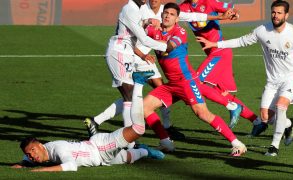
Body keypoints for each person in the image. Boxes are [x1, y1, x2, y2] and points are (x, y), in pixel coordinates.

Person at [85, 0, 235, 141]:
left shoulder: (165, 12)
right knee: (132, 96)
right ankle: (151, 132)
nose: (153, 0)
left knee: (138, 94)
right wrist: (160, 46)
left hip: (147, 57)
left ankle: (164, 130)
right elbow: (138, 36)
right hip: (137, 54)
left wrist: (219, 17)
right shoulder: (141, 10)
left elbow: (192, 15)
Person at [196, 0, 293, 156]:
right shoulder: (262, 30)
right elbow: (241, 41)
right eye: (273, 12)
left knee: (281, 107)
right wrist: (215, 44)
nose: (276, 15)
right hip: (272, 80)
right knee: (265, 117)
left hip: (291, 77)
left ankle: (274, 146)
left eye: (279, 13)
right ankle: (288, 125)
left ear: (286, 15)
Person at [142, 2, 247, 156]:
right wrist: (147, 22)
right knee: (144, 108)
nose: (167, 16)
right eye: (166, 13)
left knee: (202, 113)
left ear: (177, 19)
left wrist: (149, 35)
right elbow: (137, 27)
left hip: (185, 82)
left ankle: (237, 143)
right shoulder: (155, 30)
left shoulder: (180, 32)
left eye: (172, 14)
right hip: (172, 85)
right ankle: (166, 143)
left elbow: (168, 47)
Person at [83, 0, 168, 148]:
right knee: (130, 96)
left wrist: (147, 21)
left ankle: (95, 121)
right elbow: (144, 39)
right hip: (119, 52)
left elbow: (135, 29)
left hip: (126, 53)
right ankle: (130, 142)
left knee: (131, 95)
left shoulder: (137, 9)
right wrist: (167, 46)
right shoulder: (130, 9)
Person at [179, 0, 263, 132]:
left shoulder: (209, 2)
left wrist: (236, 14)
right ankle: (258, 122)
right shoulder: (183, 7)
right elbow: (171, 17)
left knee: (197, 83)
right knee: (221, 93)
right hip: (213, 54)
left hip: (220, 52)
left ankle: (232, 107)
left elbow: (232, 9)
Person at [11, 136, 164, 172]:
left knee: (127, 157)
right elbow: (26, 159)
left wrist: (45, 170)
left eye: (33, 151)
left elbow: (72, 166)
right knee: (126, 157)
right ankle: (138, 147)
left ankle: (145, 150)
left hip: (98, 150)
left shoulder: (58, 149)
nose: (32, 156)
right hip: (97, 156)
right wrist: (22, 163)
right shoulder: (35, 155)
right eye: (28, 154)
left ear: (40, 145)